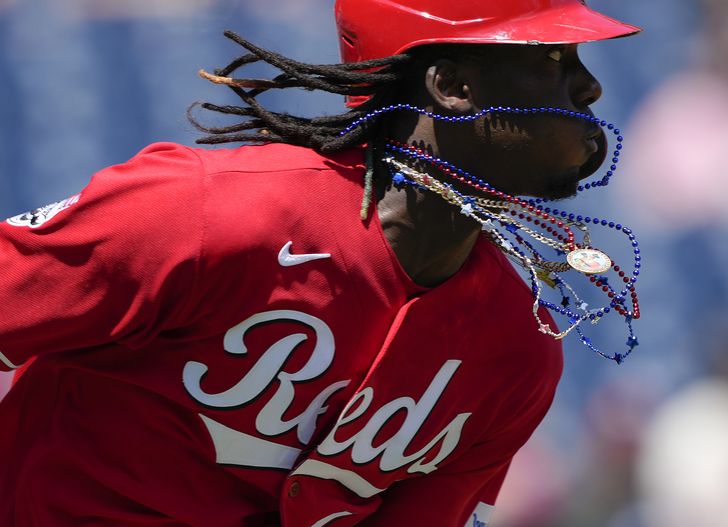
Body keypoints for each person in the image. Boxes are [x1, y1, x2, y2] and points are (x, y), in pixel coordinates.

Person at [0, 1, 640, 525]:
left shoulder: (516, 352)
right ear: (453, 87)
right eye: (556, 58)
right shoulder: (206, 215)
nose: (591, 85)